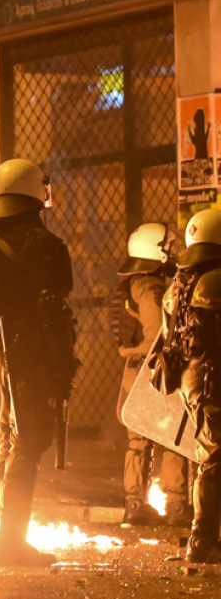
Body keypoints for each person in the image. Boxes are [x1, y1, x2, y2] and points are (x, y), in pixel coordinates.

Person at [0, 158, 77, 567]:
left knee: (8, 441)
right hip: (29, 357)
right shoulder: (46, 246)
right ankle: (9, 544)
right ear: (33, 194)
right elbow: (53, 313)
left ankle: (1, 530)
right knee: (29, 441)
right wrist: (62, 371)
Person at [155, 208, 221, 563]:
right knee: (213, 454)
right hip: (211, 375)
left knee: (208, 451)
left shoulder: (178, 285)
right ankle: (203, 538)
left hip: (191, 377)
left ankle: (206, 532)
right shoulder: (213, 280)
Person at [113, 222, 190, 526]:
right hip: (154, 369)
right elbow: (158, 333)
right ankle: (176, 505)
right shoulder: (151, 288)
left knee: (139, 440)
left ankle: (134, 504)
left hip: (137, 370)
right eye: (169, 247)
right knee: (173, 434)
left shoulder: (133, 284)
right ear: (155, 252)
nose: (174, 252)